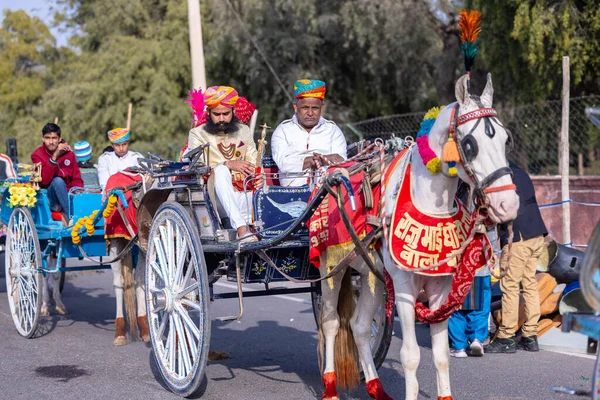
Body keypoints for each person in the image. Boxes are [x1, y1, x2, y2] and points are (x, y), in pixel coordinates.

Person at [485, 161, 547, 353]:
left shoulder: (501, 177)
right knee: (529, 285)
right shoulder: (521, 171)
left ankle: (506, 336)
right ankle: (530, 335)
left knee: (510, 286)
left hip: (517, 237)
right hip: (536, 234)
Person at [186, 85, 258, 242]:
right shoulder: (197, 134)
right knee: (220, 172)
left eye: (226, 114)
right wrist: (227, 164)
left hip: (244, 193)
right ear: (209, 113)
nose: (221, 119)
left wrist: (258, 176)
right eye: (216, 114)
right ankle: (241, 229)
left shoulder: (244, 131)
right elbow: (197, 168)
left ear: (233, 111)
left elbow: (253, 163)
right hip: (214, 198)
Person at [271, 79, 348, 186]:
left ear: (322, 108)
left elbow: (341, 162)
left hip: (326, 191)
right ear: (295, 107)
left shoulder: (333, 131)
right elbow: (284, 164)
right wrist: (316, 160)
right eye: (305, 108)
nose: (310, 113)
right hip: (290, 194)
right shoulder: (282, 131)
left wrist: (322, 161)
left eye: (315, 108)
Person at [449, 227, 499, 357]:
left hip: (457, 264)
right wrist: (494, 251)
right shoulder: (484, 209)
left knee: (456, 307)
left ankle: (459, 346)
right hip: (480, 263)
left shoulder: (453, 208)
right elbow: (491, 229)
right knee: (480, 307)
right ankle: (477, 339)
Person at [31, 123, 83, 223]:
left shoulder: (69, 153)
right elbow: (44, 180)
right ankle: (71, 218)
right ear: (43, 139)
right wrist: (55, 157)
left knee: (83, 195)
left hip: (68, 195)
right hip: (50, 199)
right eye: (47, 138)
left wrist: (78, 192)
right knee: (57, 181)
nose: (51, 142)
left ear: (59, 139)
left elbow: (76, 178)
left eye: (54, 138)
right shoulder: (37, 155)